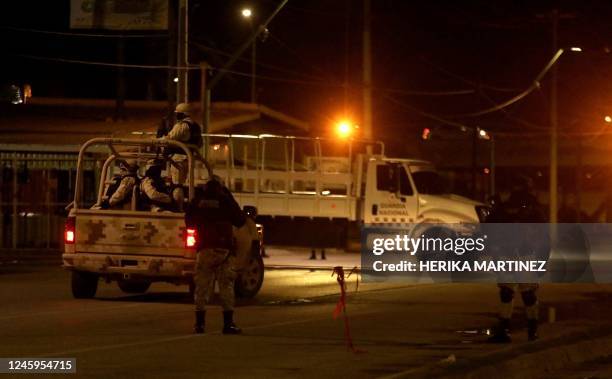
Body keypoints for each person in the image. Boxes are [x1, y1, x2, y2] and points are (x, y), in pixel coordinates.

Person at [487, 176, 547, 343]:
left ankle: (505, 330)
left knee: (507, 292)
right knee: (527, 293)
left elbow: (489, 230)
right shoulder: (532, 208)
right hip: (524, 253)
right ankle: (532, 331)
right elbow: (543, 236)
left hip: (508, 253)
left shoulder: (503, 208)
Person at [185, 178, 247, 335]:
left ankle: (199, 325)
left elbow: (189, 222)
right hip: (224, 250)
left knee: (201, 287)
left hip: (204, 249)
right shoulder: (225, 201)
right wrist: (230, 197)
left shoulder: (198, 201)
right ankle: (228, 324)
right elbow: (240, 220)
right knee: (226, 286)